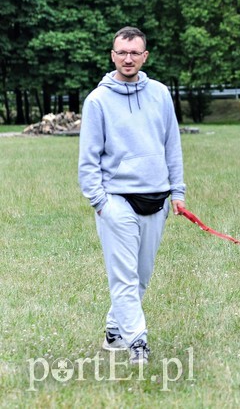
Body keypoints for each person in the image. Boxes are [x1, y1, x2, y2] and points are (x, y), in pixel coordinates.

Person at [78, 26, 186, 365]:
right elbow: (88, 159)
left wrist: (177, 192)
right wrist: (100, 202)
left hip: (156, 200)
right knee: (123, 276)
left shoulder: (160, 93)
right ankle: (137, 341)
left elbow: (172, 146)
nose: (128, 58)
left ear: (144, 56)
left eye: (134, 52)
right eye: (122, 52)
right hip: (117, 200)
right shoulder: (98, 100)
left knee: (141, 275)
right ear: (112, 55)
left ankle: (114, 329)